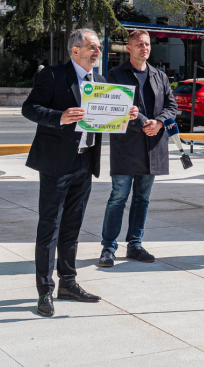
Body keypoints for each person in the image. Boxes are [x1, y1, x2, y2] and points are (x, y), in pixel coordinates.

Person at [24, 29, 128, 317]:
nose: (98, 51)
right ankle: (45, 290)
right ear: (75, 51)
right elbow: (29, 108)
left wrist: (125, 114)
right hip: (57, 164)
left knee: (72, 227)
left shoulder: (101, 82)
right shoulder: (54, 75)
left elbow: (107, 117)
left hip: (85, 163)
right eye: (92, 47)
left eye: (99, 47)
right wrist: (59, 117)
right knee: (50, 228)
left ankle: (67, 283)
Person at [99, 30, 178, 267]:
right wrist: (145, 123)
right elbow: (115, 108)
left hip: (153, 147)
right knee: (118, 197)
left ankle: (135, 244)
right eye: (139, 44)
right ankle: (109, 248)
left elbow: (172, 106)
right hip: (126, 146)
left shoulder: (160, 76)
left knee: (142, 199)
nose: (144, 47)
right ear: (129, 48)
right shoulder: (116, 75)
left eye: (147, 44)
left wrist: (159, 122)